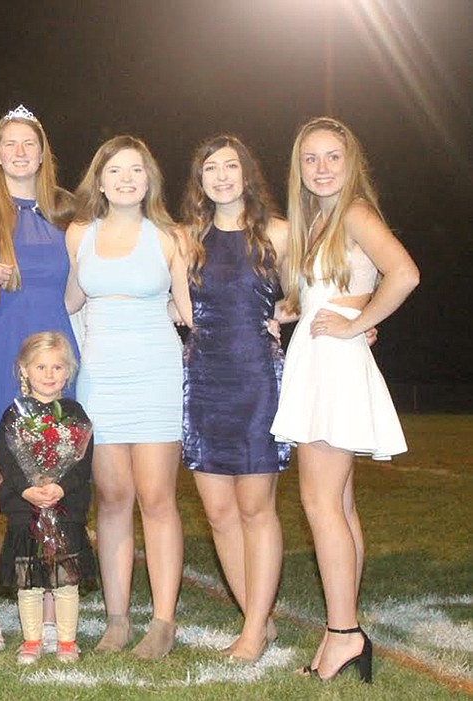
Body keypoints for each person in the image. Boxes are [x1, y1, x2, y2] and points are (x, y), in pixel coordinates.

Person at [271, 117, 418, 683]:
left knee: (319, 505)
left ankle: (342, 634)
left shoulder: (354, 211)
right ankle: (347, 628)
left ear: (351, 161)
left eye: (333, 156)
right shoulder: (320, 219)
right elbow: (323, 296)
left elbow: (403, 274)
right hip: (321, 360)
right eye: (311, 158)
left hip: (332, 365)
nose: (322, 167)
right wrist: (285, 315)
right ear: (299, 167)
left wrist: (359, 324)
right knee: (341, 505)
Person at [64, 135, 191, 658]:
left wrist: (271, 320)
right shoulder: (78, 234)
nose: (125, 178)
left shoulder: (170, 237)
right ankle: (117, 622)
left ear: (149, 179)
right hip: (100, 380)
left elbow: (189, 313)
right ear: (99, 179)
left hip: (156, 375)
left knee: (157, 499)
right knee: (113, 501)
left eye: (135, 169)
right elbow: (69, 301)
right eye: (114, 170)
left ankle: (162, 622)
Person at [0, 105, 78, 651]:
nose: (20, 150)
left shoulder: (69, 212)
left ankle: (51, 608)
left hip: (52, 356)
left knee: (50, 484)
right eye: (9, 142)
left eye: (29, 141)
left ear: (43, 150)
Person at [179, 135, 289, 663]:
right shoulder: (187, 239)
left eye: (230, 166)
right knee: (219, 512)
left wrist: (294, 315)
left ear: (247, 172)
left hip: (255, 381)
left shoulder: (278, 233)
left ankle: (250, 633)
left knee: (255, 509)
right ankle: (257, 620)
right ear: (199, 181)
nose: (222, 176)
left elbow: (323, 287)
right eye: (210, 169)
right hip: (202, 382)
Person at [0, 332, 95, 665]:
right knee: (29, 583)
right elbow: (6, 459)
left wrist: (61, 487)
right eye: (41, 366)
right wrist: (26, 489)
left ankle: (66, 641)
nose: (49, 374)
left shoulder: (76, 414)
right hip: (27, 512)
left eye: (57, 367)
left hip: (65, 511)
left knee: (66, 581)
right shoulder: (14, 416)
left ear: (69, 372)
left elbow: (82, 463)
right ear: (24, 370)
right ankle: (32, 640)